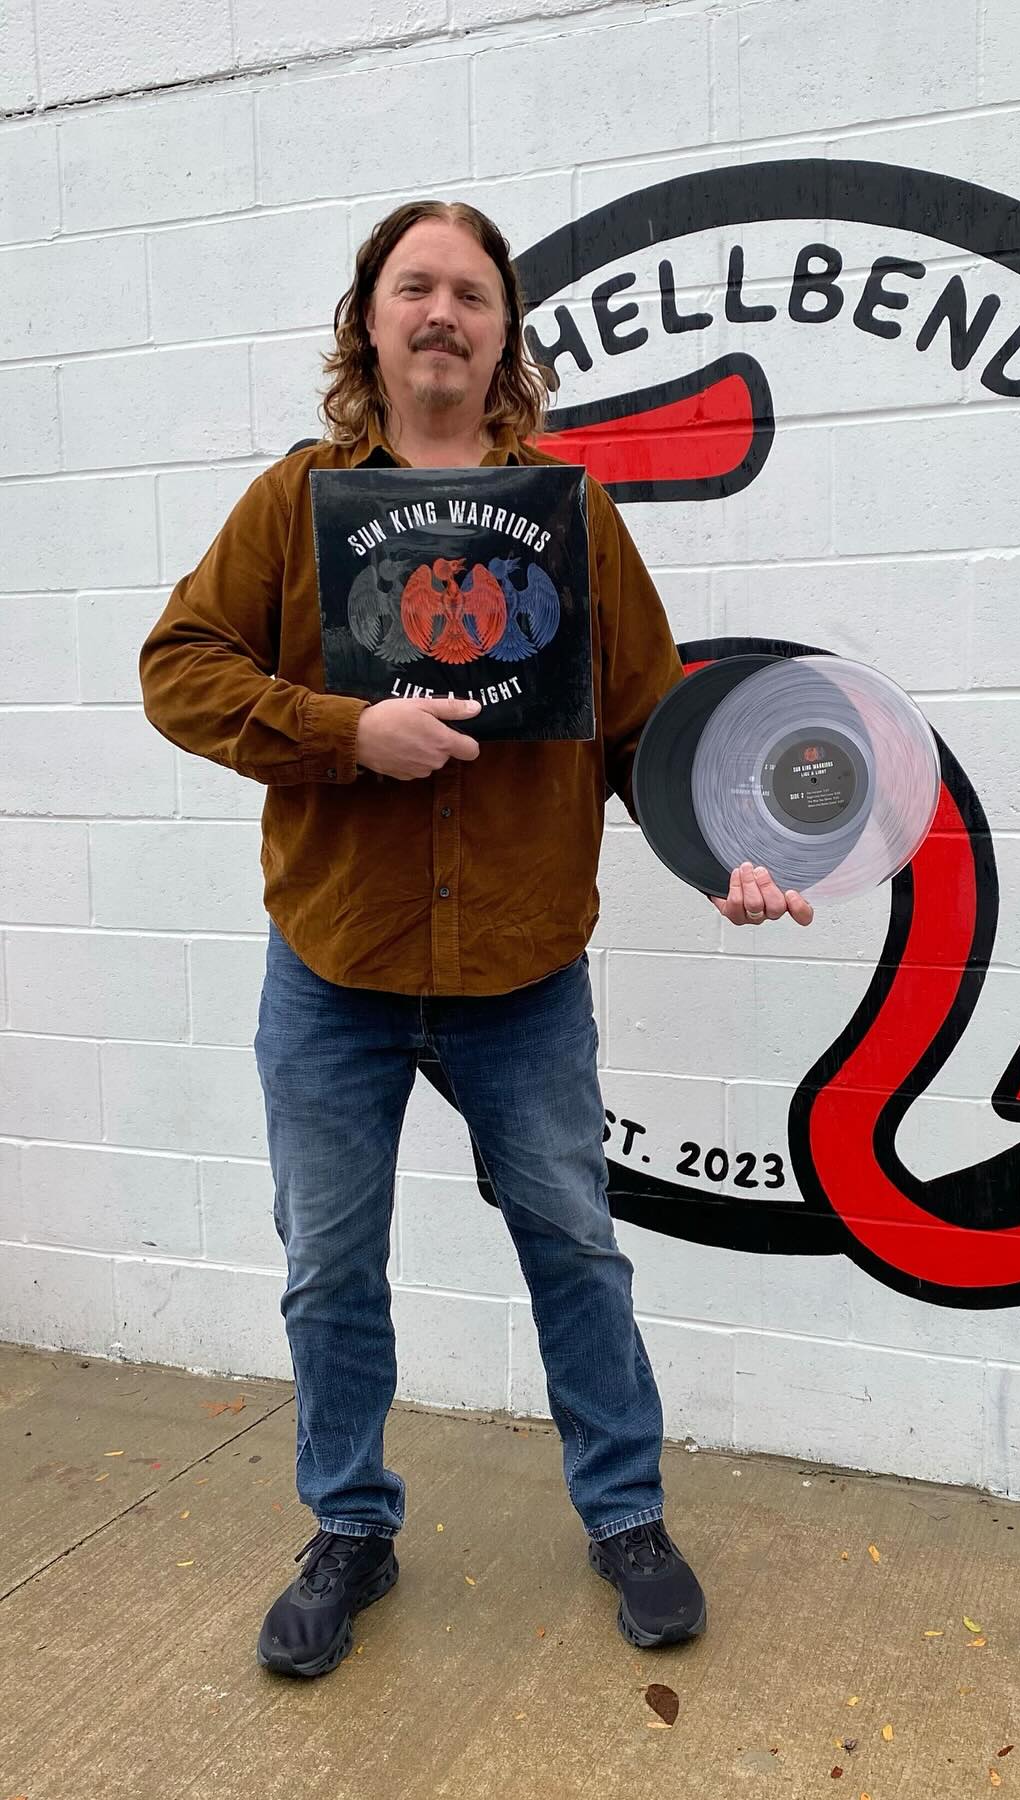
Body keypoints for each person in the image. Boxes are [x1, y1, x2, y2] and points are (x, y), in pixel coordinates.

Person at [139, 199, 814, 1679]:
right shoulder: (294, 504)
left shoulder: (571, 518)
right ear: (369, 321)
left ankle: (624, 1515)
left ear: (504, 331)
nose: (441, 312)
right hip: (335, 966)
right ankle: (350, 1529)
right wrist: (340, 730)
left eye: (469, 292)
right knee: (329, 1266)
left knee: (576, 1246)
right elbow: (177, 672)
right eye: (413, 287)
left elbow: (643, 724)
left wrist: (729, 862)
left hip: (521, 971)